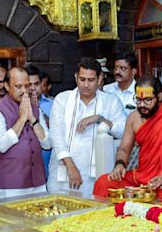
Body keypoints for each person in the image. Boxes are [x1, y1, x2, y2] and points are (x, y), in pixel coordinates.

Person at [93, 75, 162, 202]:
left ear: (160, 97)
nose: (142, 105)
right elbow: (124, 149)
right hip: (143, 176)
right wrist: (120, 165)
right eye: (138, 100)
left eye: (147, 100)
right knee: (103, 183)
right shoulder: (134, 118)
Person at [47, 58, 126, 198]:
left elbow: (122, 131)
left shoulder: (110, 101)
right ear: (76, 77)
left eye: (91, 80)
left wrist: (99, 119)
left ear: (100, 79)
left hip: (95, 176)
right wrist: (71, 167)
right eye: (82, 79)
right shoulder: (62, 99)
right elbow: (56, 136)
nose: (86, 85)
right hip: (63, 172)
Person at [0, 67, 50, 199]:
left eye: (27, 85)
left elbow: (47, 144)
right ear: (7, 86)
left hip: (37, 183)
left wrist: (33, 120)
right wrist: (22, 119)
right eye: (18, 86)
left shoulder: (35, 108)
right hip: (9, 186)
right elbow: (1, 145)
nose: (24, 91)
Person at [27, 66, 54, 178]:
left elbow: (56, 128)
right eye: (29, 84)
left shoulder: (53, 103)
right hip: (27, 166)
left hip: (48, 161)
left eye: (36, 84)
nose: (33, 88)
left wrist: (38, 112)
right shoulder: (17, 106)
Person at [104, 51, 137, 115]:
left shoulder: (139, 92)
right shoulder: (106, 90)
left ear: (133, 71)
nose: (117, 72)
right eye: (116, 68)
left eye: (123, 68)